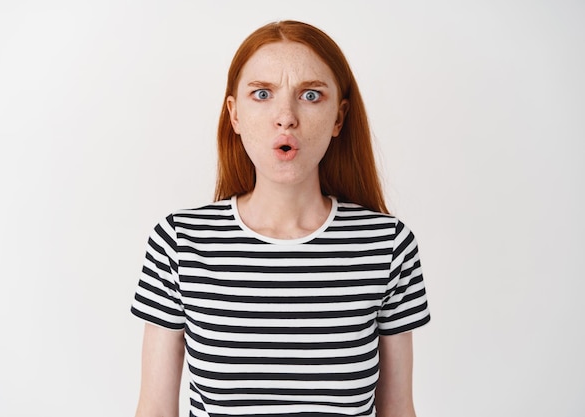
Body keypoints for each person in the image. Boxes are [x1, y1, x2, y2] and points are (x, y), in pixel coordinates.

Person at [131, 20, 430, 417]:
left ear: (339, 118)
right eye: (262, 94)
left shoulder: (387, 246)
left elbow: (398, 409)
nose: (285, 117)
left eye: (310, 95)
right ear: (234, 116)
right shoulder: (180, 243)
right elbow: (153, 410)